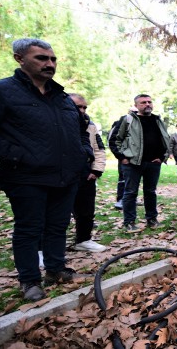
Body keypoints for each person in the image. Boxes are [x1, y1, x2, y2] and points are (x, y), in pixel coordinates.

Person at [0, 38, 93, 302]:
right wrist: (16, 154)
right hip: (26, 177)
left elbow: (81, 131)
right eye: (41, 58)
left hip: (66, 177)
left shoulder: (62, 97)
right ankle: (30, 280)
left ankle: (56, 270)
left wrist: (84, 155)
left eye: (53, 59)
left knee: (58, 227)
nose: (49, 63)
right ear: (19, 58)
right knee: (29, 229)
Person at [114, 94, 170, 232]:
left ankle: (152, 219)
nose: (147, 104)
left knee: (150, 192)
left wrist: (162, 157)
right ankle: (129, 222)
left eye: (149, 102)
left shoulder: (157, 120)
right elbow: (115, 140)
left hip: (153, 163)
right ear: (136, 105)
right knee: (130, 192)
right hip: (132, 163)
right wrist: (122, 157)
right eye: (143, 102)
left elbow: (165, 139)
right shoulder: (127, 119)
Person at [69, 93, 107, 252]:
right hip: (62, 174)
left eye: (85, 107)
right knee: (56, 213)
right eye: (79, 106)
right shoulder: (55, 122)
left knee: (86, 210)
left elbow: (99, 149)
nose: (83, 110)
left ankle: (83, 240)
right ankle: (42, 248)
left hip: (86, 173)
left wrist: (96, 170)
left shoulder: (90, 125)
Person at [108, 106, 138, 210]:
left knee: (134, 179)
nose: (135, 114)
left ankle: (132, 199)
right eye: (133, 112)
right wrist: (121, 156)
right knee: (123, 178)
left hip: (138, 158)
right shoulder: (120, 122)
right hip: (125, 156)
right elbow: (112, 139)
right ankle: (121, 199)